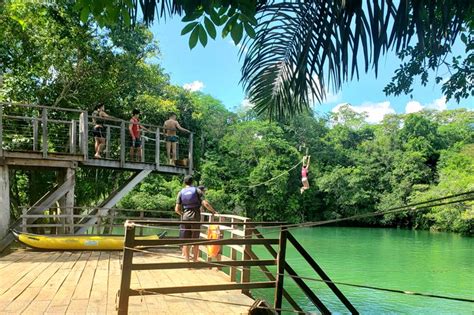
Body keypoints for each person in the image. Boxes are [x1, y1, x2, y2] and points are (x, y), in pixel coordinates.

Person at [175, 175, 217, 262]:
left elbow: (176, 209)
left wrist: (182, 214)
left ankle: (187, 260)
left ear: (184, 182)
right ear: (192, 182)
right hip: (195, 217)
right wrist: (213, 211)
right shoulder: (197, 190)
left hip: (185, 217)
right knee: (195, 240)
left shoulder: (181, 192)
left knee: (186, 241)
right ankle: (195, 260)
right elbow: (205, 203)